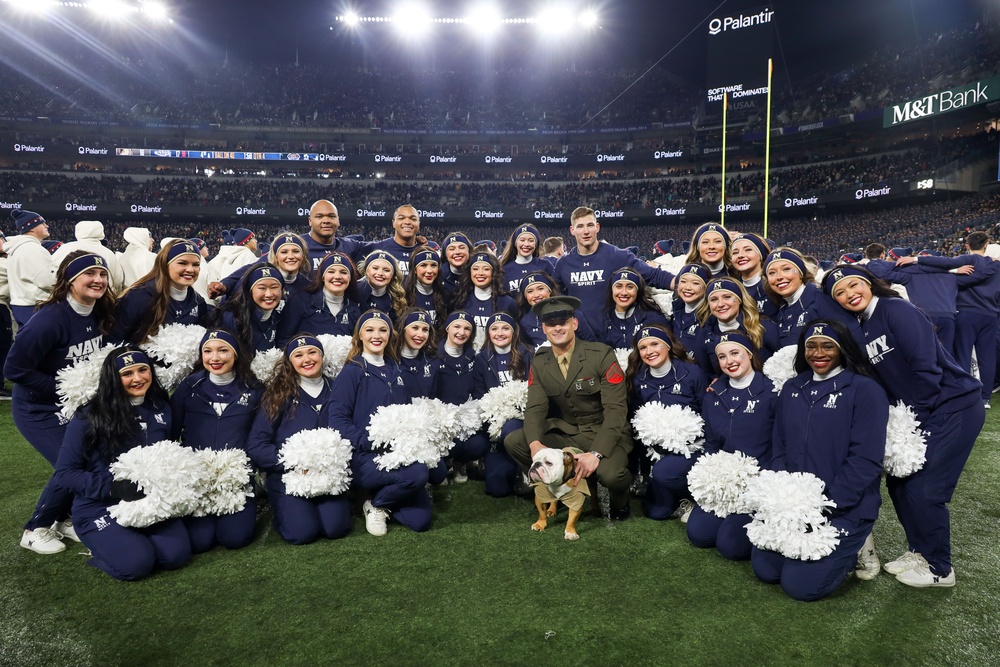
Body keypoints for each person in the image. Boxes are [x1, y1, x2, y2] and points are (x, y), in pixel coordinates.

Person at [824, 265, 984, 588]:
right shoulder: (862, 325)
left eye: (853, 285)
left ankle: (940, 568)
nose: (848, 294)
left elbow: (926, 369)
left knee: (925, 488)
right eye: (839, 293)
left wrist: (914, 421)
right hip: (924, 411)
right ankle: (920, 552)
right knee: (899, 484)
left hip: (954, 406)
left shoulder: (896, 309)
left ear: (868, 283)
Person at [752, 320, 888, 601]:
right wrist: (784, 498)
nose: (818, 353)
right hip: (795, 505)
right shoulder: (792, 387)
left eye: (828, 346)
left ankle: (859, 544)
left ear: (843, 350)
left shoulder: (865, 389)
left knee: (800, 586)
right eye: (810, 346)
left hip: (842, 507)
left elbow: (866, 459)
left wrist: (829, 503)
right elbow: (779, 446)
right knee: (767, 571)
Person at [5, 252, 113, 554]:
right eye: (89, 274)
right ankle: (35, 528)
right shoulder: (48, 320)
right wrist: (64, 389)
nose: (98, 280)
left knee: (91, 458)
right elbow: (14, 370)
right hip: (38, 408)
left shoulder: (99, 312)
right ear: (69, 280)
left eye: (102, 274)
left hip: (74, 405)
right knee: (71, 465)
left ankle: (66, 519)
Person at [53, 347, 192, 580]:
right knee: (136, 565)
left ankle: (127, 543)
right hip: (99, 505)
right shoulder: (89, 416)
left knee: (174, 557)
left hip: (149, 501)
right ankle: (101, 550)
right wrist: (113, 487)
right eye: (127, 373)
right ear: (113, 378)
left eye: (143, 370)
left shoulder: (161, 407)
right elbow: (65, 473)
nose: (137, 378)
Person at [504, 296, 634, 520]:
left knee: (611, 476)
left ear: (574, 324)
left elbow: (616, 410)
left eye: (563, 322)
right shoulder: (540, 360)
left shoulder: (601, 354)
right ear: (543, 328)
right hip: (569, 433)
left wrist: (595, 454)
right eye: (551, 324)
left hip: (604, 432)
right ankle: (559, 485)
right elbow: (535, 406)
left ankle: (620, 501)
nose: (557, 328)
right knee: (515, 441)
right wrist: (535, 444)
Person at [329, 311, 433, 536]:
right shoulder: (352, 371)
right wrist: (365, 441)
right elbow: (336, 418)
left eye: (383, 330)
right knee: (418, 475)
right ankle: (374, 504)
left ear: (390, 335)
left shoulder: (396, 368)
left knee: (420, 521)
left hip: (398, 453)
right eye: (370, 330)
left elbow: (405, 411)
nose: (377, 336)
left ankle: (376, 498)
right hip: (366, 456)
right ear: (359, 336)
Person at [246, 335, 352, 545]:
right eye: (298, 355)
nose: (307, 359)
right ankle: (282, 509)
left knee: (335, 529)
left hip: (329, 476)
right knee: (302, 534)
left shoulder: (338, 389)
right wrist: (292, 462)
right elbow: (256, 445)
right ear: (290, 362)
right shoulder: (277, 395)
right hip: (289, 475)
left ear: (322, 356)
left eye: (312, 352)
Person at [170, 329, 263, 553]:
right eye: (207, 351)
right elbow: (170, 432)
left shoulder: (254, 389)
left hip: (235, 479)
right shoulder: (189, 387)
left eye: (223, 351)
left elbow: (260, 435)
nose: (215, 358)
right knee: (200, 542)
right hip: (197, 478)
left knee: (234, 539)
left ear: (236, 354)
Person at [687, 332, 776, 560]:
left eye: (735, 353)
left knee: (731, 548)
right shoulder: (713, 394)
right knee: (698, 534)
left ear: (749, 354)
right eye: (722, 357)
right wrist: (710, 477)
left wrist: (767, 481)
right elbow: (712, 443)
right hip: (725, 482)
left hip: (759, 480)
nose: (730, 361)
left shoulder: (772, 392)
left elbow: (781, 443)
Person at [897, 231, 1000, 408]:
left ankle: (965, 394)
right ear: (987, 244)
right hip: (990, 315)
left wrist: (916, 259)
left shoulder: (968, 261)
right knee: (987, 357)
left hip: (967, 313)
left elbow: (944, 263)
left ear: (967, 245)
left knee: (963, 354)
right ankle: (985, 398)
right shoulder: (996, 266)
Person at [624, 324, 708, 521]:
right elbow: (638, 424)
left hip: (692, 449)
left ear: (668, 345)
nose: (649, 351)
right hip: (658, 454)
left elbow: (708, 413)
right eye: (643, 347)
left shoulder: (692, 372)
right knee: (655, 512)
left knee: (664, 473)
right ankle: (676, 493)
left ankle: (696, 495)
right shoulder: (637, 379)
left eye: (655, 344)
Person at [554, 206, 675, 324]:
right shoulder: (564, 264)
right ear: (572, 230)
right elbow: (553, 294)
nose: (586, 231)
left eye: (590, 225)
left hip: (612, 336)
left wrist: (681, 283)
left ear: (597, 227)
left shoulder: (616, 256)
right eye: (580, 226)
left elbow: (653, 275)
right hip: (579, 337)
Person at [473, 312, 533, 497]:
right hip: (496, 424)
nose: (500, 333)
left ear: (514, 332)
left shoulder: (528, 353)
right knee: (497, 488)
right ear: (488, 333)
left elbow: (536, 388)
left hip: (523, 418)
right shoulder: (482, 358)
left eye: (505, 328)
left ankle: (526, 469)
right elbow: (479, 395)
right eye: (494, 329)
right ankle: (506, 465)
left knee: (512, 427)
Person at [111, 240, 210, 345]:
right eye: (182, 263)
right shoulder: (138, 296)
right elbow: (113, 339)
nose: (190, 270)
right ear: (165, 264)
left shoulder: (198, 302)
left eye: (196, 265)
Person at [432, 311, 488, 482]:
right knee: (448, 445)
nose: (461, 332)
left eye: (467, 328)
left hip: (467, 419)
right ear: (447, 328)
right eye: (456, 326)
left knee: (479, 444)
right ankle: (445, 462)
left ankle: (460, 462)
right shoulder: (433, 356)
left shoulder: (475, 357)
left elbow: (479, 390)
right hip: (441, 421)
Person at [763, 247, 858, 347]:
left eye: (786, 269)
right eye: (772, 273)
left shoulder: (822, 299)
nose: (779, 277)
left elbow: (853, 338)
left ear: (801, 272)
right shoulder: (782, 310)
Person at [695, 277, 778, 377]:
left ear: (739, 300)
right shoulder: (705, 332)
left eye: (727, 297)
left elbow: (783, 360)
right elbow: (705, 372)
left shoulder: (762, 326)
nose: (720, 304)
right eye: (714, 299)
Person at [277, 252, 362, 346]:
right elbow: (283, 340)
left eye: (343, 272)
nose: (337, 277)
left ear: (350, 278)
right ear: (322, 276)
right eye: (331, 271)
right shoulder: (301, 300)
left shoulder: (355, 308)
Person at [449, 250, 518, 350]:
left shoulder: (507, 303)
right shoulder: (460, 300)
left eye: (486, 269)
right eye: (475, 269)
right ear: (470, 272)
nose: (480, 273)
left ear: (494, 272)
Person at [210, 263, 283, 353]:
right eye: (261, 288)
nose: (269, 294)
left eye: (274, 287)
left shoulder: (278, 317)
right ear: (250, 291)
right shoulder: (231, 317)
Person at [595, 267, 669, 352]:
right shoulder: (603, 319)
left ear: (638, 291)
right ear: (612, 290)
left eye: (630, 287)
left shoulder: (653, 318)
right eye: (619, 287)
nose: (623, 293)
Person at [516, 272, 596, 348]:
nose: (536, 295)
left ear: (550, 290)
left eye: (540, 289)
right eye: (530, 291)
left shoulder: (572, 313)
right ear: (525, 296)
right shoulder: (524, 322)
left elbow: (591, 344)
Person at [5, 209, 55, 326]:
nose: (46, 226)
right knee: (44, 343)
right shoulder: (31, 248)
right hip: (35, 306)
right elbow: (48, 280)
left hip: (23, 305)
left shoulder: (19, 248)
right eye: (42, 223)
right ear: (32, 227)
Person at [50, 220, 126, 294]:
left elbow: (52, 274)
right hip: (103, 298)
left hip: (71, 297)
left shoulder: (67, 248)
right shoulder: (109, 253)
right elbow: (118, 280)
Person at [300, 200, 372, 270]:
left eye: (332, 216)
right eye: (319, 216)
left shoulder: (349, 247)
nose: (326, 221)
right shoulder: (298, 246)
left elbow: (378, 246)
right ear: (310, 221)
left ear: (338, 221)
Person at [393, 307, 438, 399]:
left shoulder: (433, 363)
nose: (420, 335)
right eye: (415, 328)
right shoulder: (389, 362)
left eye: (425, 330)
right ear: (403, 329)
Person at [731, 233, 778, 319]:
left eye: (748, 250)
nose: (740, 255)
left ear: (761, 255)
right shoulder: (732, 287)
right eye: (735, 252)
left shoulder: (774, 283)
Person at [670, 263, 710, 363]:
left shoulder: (711, 318)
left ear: (705, 287)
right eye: (683, 281)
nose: (688, 287)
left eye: (695, 283)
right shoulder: (673, 313)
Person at [499, 224, 550, 297]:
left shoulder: (545, 266)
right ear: (515, 243)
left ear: (536, 244)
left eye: (531, 240)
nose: (526, 244)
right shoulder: (504, 269)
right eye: (522, 240)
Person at [373, 205, 423, 277]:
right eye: (401, 218)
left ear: (419, 224)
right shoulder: (378, 248)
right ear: (393, 223)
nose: (407, 222)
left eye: (413, 219)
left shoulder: (429, 249)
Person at [403, 246, 449, 325]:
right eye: (423, 265)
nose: (429, 271)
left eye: (433, 265)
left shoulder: (445, 294)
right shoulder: (403, 295)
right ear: (414, 269)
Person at [358, 250, 407, 321]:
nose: (380, 273)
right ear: (366, 270)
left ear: (393, 275)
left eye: (386, 270)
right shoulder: (355, 292)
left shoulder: (396, 296)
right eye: (375, 268)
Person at [440, 231, 473, 296]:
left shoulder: (478, 274)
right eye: (452, 249)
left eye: (462, 248)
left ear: (469, 251)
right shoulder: (438, 277)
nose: (457, 252)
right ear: (445, 254)